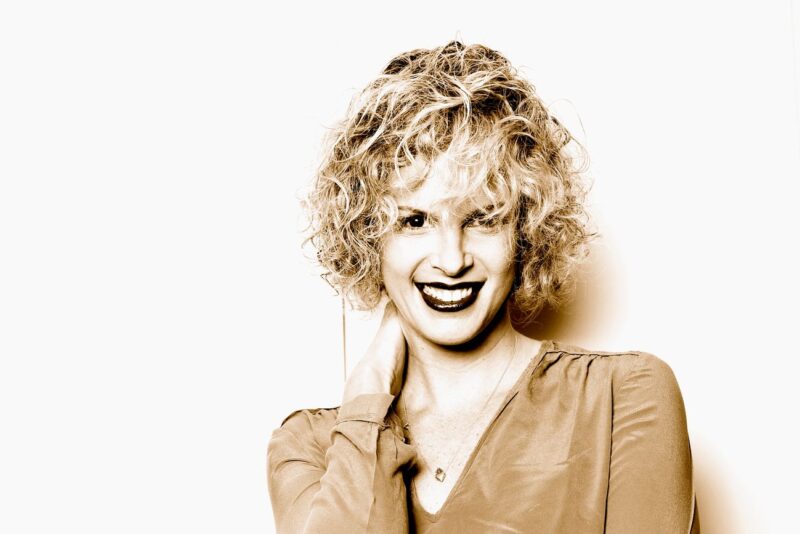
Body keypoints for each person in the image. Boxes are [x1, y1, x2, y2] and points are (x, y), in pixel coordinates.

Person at [267, 41, 697, 533]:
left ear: (526, 228)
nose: (452, 260)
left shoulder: (624, 397)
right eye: (414, 221)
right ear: (368, 235)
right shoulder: (311, 446)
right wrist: (368, 400)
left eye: (483, 218)